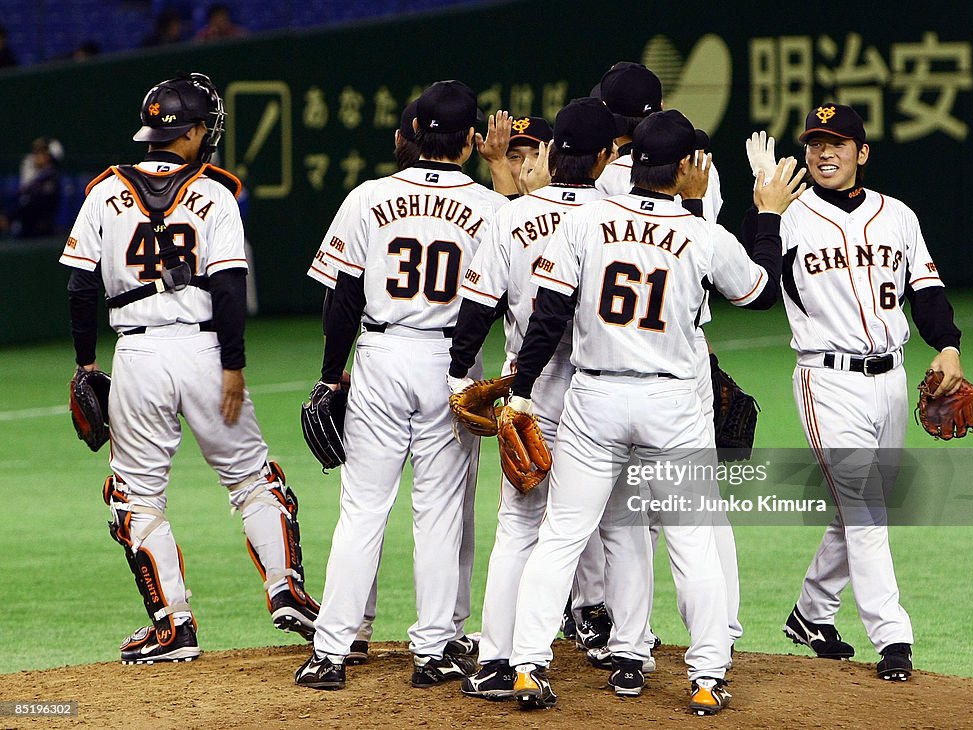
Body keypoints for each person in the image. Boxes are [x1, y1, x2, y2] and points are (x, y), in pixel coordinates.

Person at [503, 110, 805, 713]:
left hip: (594, 399)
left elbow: (549, 315)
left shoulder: (588, 221)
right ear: (689, 168)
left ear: (630, 161)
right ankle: (707, 675)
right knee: (692, 542)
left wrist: (520, 387)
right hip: (670, 402)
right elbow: (760, 291)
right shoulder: (702, 234)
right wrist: (767, 215)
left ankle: (528, 664)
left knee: (562, 535)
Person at [58, 72, 320, 664]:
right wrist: (233, 365)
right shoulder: (217, 193)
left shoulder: (103, 191)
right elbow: (229, 285)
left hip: (137, 355)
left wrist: (84, 363)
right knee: (255, 479)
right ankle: (286, 590)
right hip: (204, 350)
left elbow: (80, 286)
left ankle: (173, 626)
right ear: (194, 130)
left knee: (136, 498)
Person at [296, 79, 508, 691]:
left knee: (362, 509)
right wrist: (465, 370)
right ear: (470, 141)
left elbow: (341, 297)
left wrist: (332, 374)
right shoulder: (493, 209)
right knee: (438, 513)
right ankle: (434, 650)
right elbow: (496, 303)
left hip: (380, 356)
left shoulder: (367, 198)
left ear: (413, 134)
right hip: (448, 359)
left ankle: (330, 652)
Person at [747, 104, 965, 682]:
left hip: (892, 379)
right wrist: (764, 216)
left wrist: (947, 344)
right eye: (815, 142)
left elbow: (926, 288)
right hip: (827, 380)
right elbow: (760, 289)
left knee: (863, 508)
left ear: (861, 153)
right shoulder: (790, 218)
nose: (823, 152)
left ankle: (811, 611)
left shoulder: (898, 216)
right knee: (867, 510)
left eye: (837, 143)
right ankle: (893, 636)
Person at [448, 97, 620, 699]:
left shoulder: (510, 218)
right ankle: (625, 649)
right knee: (605, 525)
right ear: (608, 156)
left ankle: (496, 660)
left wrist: (456, 377)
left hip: (531, 388)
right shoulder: (620, 215)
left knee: (520, 527)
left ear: (550, 152)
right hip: (604, 389)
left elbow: (477, 307)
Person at [593, 59, 745, 656]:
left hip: (608, 366)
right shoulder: (699, 180)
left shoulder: (600, 182)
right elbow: (739, 279)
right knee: (697, 515)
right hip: (686, 358)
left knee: (620, 519)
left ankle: (627, 639)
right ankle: (717, 640)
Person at [2, 137, 62, 238]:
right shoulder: (38, 178)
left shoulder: (50, 180)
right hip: (26, 231)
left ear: (48, 157)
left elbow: (32, 206)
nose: (35, 156)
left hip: (38, 235)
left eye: (41, 152)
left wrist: (9, 218)